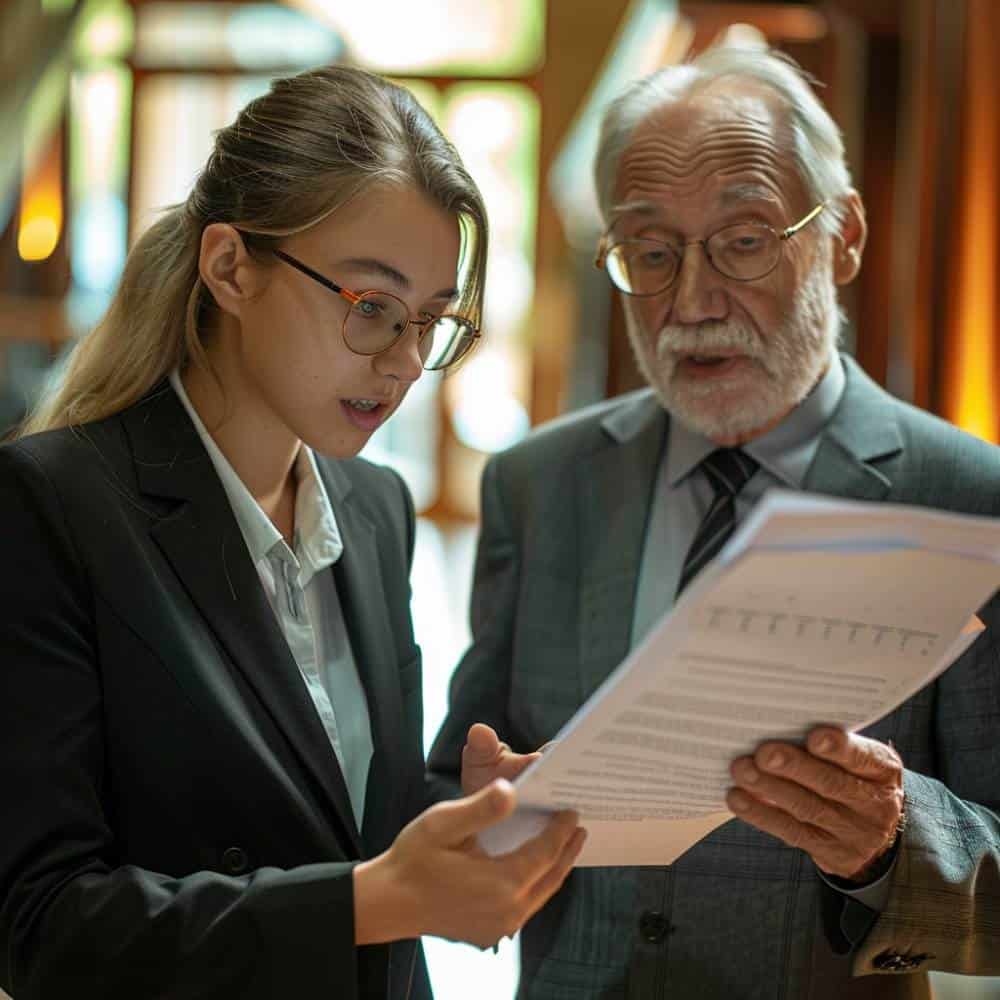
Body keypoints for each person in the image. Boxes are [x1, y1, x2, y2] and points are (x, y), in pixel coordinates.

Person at [0, 65, 587, 1000]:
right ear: (230, 266)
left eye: (430, 322)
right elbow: (46, 927)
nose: (402, 364)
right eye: (370, 308)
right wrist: (375, 898)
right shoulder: (52, 503)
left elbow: (339, 827)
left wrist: (466, 821)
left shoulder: (375, 510)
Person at [429, 46, 1000, 999]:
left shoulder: (966, 498)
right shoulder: (540, 482)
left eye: (744, 240)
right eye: (651, 254)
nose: (690, 303)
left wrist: (894, 841)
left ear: (844, 236)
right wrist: (483, 811)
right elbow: (453, 779)